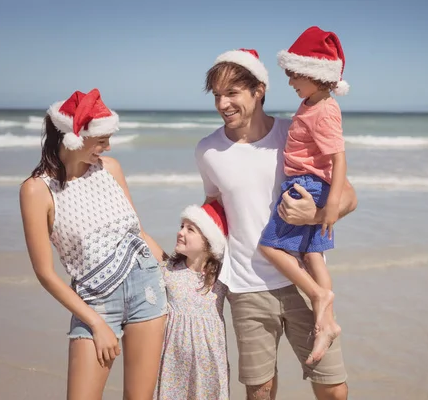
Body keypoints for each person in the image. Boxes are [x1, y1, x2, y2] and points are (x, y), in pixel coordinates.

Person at [196, 47, 357, 400]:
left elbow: (348, 196)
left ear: (259, 90)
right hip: (247, 286)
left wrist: (314, 216)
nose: (223, 104)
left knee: (333, 388)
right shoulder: (207, 151)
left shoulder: (294, 132)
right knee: (260, 391)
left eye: (232, 93)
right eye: (218, 95)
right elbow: (215, 207)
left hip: (305, 282)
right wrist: (198, 254)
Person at [19, 89, 167, 399]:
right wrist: (97, 324)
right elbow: (45, 273)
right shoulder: (36, 191)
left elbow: (137, 231)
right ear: (74, 138)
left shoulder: (110, 169)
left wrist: (176, 271)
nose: (107, 147)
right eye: (101, 140)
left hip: (146, 287)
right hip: (95, 302)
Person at [258, 25, 350, 365]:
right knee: (312, 256)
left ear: (316, 75)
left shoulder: (324, 109)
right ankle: (327, 323)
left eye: (296, 75)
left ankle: (318, 295)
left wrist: (330, 209)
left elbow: (339, 159)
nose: (291, 81)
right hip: (310, 184)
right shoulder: (310, 103)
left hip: (306, 186)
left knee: (270, 245)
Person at [155, 200, 229, 399]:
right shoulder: (169, 270)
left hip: (209, 364)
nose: (181, 232)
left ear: (209, 242)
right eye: (181, 227)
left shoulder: (221, 277)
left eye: (190, 229)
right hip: (174, 362)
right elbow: (144, 238)